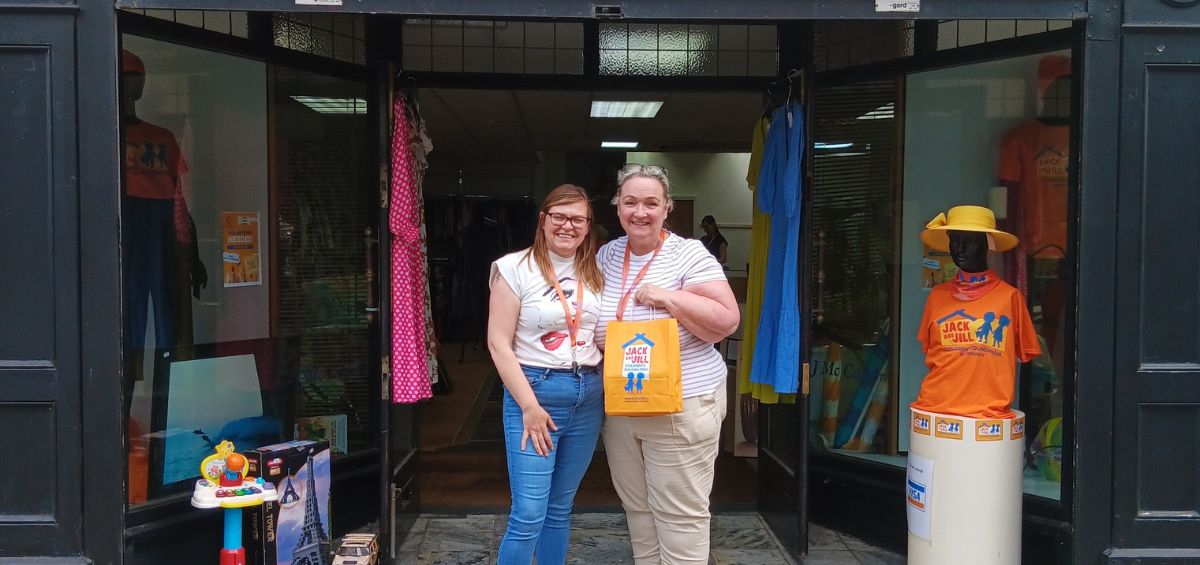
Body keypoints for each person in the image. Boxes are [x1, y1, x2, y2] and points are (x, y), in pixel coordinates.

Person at [595, 164, 741, 564]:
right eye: (630, 202)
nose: (640, 212)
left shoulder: (688, 253)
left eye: (650, 203)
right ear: (617, 207)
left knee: (680, 518)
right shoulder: (607, 255)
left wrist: (669, 298)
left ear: (667, 208)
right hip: (624, 405)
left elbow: (727, 320)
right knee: (638, 512)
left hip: (682, 404)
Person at [487, 184, 605, 565]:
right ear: (543, 220)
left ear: (588, 226)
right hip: (535, 394)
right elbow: (498, 346)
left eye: (578, 219)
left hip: (588, 394)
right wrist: (529, 406)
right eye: (559, 216)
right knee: (528, 514)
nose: (567, 226)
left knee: (560, 508)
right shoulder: (513, 268)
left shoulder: (596, 270)